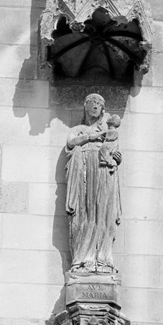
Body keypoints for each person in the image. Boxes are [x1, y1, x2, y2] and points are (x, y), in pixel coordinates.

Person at [65, 94, 122, 273]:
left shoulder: (108, 132)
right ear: (86, 106)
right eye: (93, 103)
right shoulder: (79, 129)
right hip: (84, 173)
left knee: (103, 213)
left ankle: (103, 258)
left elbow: (112, 151)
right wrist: (92, 137)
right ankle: (82, 258)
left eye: (99, 104)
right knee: (84, 214)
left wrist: (117, 157)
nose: (96, 106)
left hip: (103, 172)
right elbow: (71, 142)